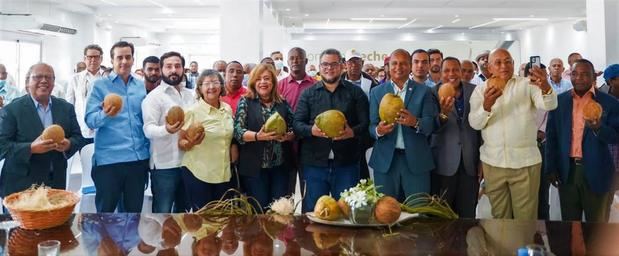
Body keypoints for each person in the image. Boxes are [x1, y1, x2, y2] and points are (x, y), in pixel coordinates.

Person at [469, 48, 558, 220]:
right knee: (500, 216)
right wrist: (487, 105)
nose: (504, 66)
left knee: (525, 218)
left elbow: (549, 105)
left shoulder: (528, 85)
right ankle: (502, 248)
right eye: (498, 62)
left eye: (508, 61)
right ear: (490, 68)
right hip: (493, 163)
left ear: (513, 64)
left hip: (525, 163)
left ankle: (522, 247)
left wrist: (545, 85)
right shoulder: (481, 91)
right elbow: (475, 123)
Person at [294, 48, 369, 212]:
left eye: (334, 64)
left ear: (342, 66)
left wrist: (352, 132)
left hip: (347, 164)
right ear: (319, 67)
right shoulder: (308, 94)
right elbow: (297, 124)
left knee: (346, 212)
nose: (329, 68)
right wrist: (311, 130)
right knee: (314, 213)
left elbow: (365, 124)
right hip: (315, 165)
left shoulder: (355, 93)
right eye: (325, 64)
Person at [545, 59, 619, 222]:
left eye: (585, 74)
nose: (579, 78)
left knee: (597, 228)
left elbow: (615, 136)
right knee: (570, 226)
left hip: (597, 172)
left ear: (594, 77)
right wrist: (550, 167)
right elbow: (552, 137)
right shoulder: (560, 101)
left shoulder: (610, 103)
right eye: (575, 74)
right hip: (568, 172)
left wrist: (599, 128)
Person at [0, 63, 87, 199]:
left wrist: (68, 144)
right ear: (28, 82)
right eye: (38, 77)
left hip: (55, 184)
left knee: (55, 220)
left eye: (49, 77)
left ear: (53, 82)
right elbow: (2, 146)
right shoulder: (12, 110)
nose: (44, 80)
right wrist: (30, 148)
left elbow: (78, 138)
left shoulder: (66, 108)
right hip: (22, 186)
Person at [85, 41, 150, 213]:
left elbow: (143, 121)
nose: (124, 61)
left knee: (133, 215)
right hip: (109, 161)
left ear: (133, 60)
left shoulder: (140, 86)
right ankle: (105, 242)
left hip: (137, 160)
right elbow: (90, 120)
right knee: (105, 217)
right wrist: (106, 114)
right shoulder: (100, 85)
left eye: (128, 57)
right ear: (112, 60)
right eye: (119, 57)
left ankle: (130, 241)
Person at [369, 49, 437, 199]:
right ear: (388, 66)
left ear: (410, 65)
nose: (398, 67)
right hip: (385, 162)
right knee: (386, 212)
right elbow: (371, 126)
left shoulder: (424, 91)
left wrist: (415, 122)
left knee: (418, 210)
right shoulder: (376, 92)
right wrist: (378, 130)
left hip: (416, 161)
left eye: (403, 63)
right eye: (394, 63)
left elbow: (431, 124)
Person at [234, 64, 295, 210]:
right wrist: (257, 136)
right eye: (258, 79)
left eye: (267, 78)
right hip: (254, 169)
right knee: (258, 211)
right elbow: (238, 131)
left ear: (273, 82)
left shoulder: (282, 102)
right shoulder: (246, 101)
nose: (263, 82)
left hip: (279, 167)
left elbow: (294, 128)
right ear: (253, 82)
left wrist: (287, 136)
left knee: (278, 211)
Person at [142, 52, 195, 213]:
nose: (173, 70)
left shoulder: (190, 95)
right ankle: (160, 240)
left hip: (188, 163)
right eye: (169, 66)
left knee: (184, 213)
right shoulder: (154, 97)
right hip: (165, 166)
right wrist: (167, 129)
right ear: (162, 69)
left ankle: (182, 240)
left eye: (177, 66)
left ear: (183, 69)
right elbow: (148, 129)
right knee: (162, 214)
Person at [430, 57, 481, 218]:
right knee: (442, 216)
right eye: (446, 70)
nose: (451, 74)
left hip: (469, 163)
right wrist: (443, 114)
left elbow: (481, 128)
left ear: (461, 71)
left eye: (455, 70)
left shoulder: (475, 91)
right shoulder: (431, 93)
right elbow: (430, 128)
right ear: (440, 73)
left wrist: (482, 161)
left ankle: (466, 244)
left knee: (467, 214)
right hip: (443, 164)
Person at [179, 69, 235, 211]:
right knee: (203, 223)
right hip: (199, 174)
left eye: (215, 82)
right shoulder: (192, 111)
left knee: (222, 219)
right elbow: (181, 142)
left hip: (223, 173)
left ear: (221, 86)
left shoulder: (227, 109)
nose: (211, 87)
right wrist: (192, 142)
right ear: (199, 88)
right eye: (207, 84)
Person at [277, 47, 316, 195]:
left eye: (299, 57)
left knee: (309, 192)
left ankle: (307, 218)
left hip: (308, 144)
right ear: (287, 62)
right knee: (286, 192)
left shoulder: (315, 85)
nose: (295, 61)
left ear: (305, 61)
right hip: (286, 146)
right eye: (292, 58)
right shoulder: (280, 86)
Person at [66, 44, 105, 140]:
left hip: (103, 128)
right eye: (90, 57)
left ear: (101, 58)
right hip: (81, 127)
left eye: (96, 57)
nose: (93, 60)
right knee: (83, 154)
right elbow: (69, 104)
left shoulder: (107, 78)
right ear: (85, 58)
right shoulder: (75, 78)